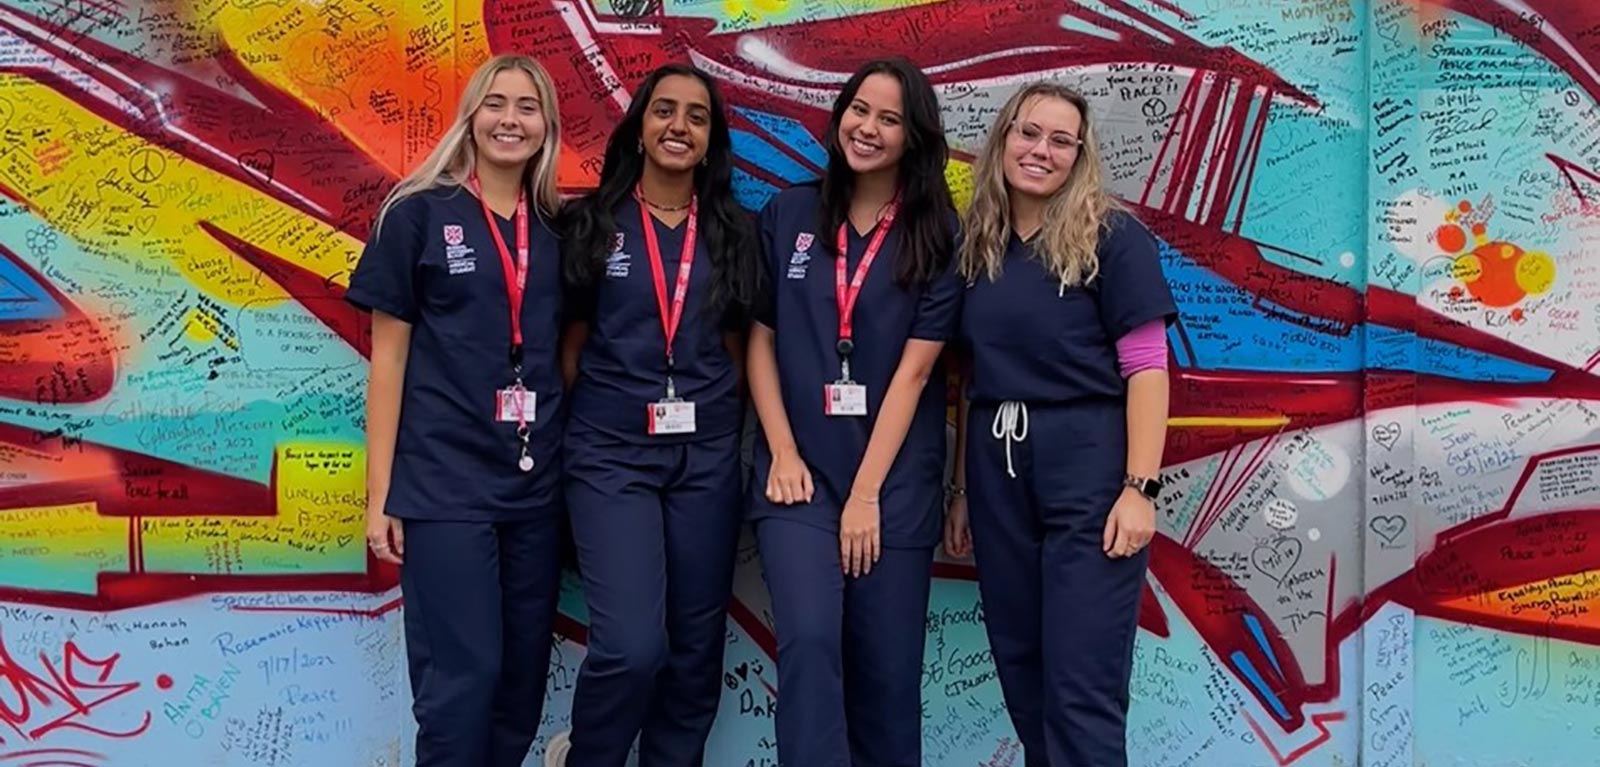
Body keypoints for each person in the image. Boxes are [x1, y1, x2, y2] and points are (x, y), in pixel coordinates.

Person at [944, 81, 1176, 767]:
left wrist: (1140, 487)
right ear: (1003, 139)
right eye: (1027, 132)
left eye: (1059, 139)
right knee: (1024, 670)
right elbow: (970, 379)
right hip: (996, 470)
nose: (1040, 150)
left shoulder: (1112, 236)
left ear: (1079, 155)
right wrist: (960, 491)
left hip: (1088, 468)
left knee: (1081, 683)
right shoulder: (976, 243)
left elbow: (1147, 366)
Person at [347, 54, 567, 767]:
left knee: (519, 687)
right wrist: (382, 493)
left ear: (547, 127)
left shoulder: (559, 231)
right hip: (445, 487)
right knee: (460, 683)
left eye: (527, 107)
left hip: (534, 490)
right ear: (471, 117)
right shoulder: (417, 215)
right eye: (496, 103)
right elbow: (388, 362)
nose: (510, 119)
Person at [746, 57, 960, 767]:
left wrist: (867, 492)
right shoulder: (789, 212)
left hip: (892, 486)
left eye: (890, 118)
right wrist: (780, 451)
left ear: (913, 136)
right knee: (808, 640)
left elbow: (917, 371)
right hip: (798, 480)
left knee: (887, 673)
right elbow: (761, 341)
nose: (867, 128)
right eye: (859, 109)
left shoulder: (935, 232)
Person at [545, 63, 754, 767]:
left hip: (707, 458)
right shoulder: (593, 223)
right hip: (611, 454)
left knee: (695, 653)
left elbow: (734, 347)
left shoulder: (732, 231)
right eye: (664, 110)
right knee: (633, 644)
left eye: (697, 116)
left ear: (710, 137)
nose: (679, 126)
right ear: (639, 125)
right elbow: (570, 347)